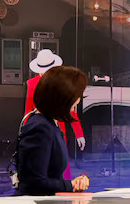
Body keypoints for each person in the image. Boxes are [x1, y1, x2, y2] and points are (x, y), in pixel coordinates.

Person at [16, 65, 90, 195]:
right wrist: (71, 185)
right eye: (76, 96)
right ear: (63, 97)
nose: (78, 100)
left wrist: (71, 184)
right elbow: (34, 183)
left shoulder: (47, 123)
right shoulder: (41, 128)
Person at [24, 49, 86, 181]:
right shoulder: (32, 84)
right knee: (41, 162)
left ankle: (62, 186)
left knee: (61, 163)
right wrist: (25, 133)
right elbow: (28, 112)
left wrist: (79, 133)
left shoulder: (60, 84)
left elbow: (70, 110)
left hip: (58, 129)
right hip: (40, 129)